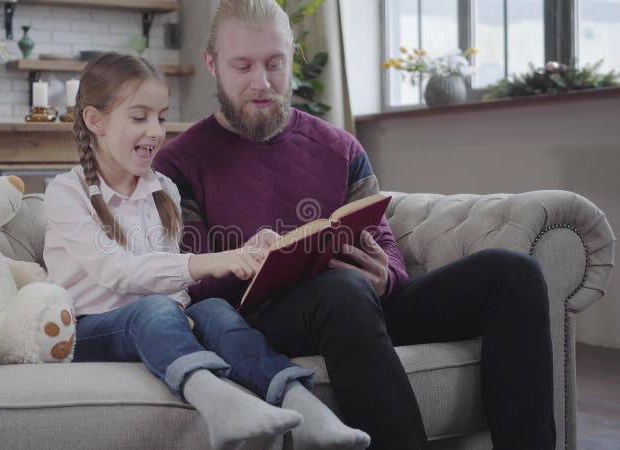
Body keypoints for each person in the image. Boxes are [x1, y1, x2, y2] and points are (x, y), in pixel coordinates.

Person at [153, 1, 556, 449]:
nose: (261, 82)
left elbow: (384, 243)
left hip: (358, 305)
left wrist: (386, 275)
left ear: (292, 57)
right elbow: (188, 280)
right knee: (341, 291)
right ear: (212, 63)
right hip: (259, 322)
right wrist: (250, 259)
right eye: (243, 66)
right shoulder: (177, 163)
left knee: (512, 274)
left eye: (274, 64)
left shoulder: (339, 147)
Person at [43, 51, 371, 450]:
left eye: (161, 118)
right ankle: (218, 405)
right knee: (157, 309)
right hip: (89, 330)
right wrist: (210, 264)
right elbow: (117, 272)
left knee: (213, 311)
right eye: (139, 117)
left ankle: (304, 409)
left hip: (157, 321)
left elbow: (170, 281)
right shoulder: (65, 193)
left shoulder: (163, 190)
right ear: (95, 121)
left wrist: (243, 254)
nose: (155, 131)